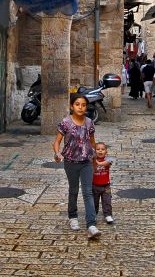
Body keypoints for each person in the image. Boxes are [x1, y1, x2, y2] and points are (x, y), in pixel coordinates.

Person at [52, 94, 102, 239]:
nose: (80, 107)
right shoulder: (66, 122)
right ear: (71, 106)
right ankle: (72, 216)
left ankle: (91, 225)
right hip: (71, 162)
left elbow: (92, 142)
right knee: (73, 190)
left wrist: (95, 160)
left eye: (83, 105)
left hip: (86, 162)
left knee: (88, 192)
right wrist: (57, 154)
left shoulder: (89, 123)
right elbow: (56, 142)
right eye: (77, 104)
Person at [92, 142, 115, 224]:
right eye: (98, 149)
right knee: (94, 201)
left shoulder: (108, 159)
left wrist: (98, 163)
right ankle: (93, 215)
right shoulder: (92, 160)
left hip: (106, 185)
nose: (100, 151)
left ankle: (108, 214)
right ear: (94, 151)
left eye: (103, 149)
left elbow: (107, 163)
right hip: (94, 185)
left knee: (107, 201)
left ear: (106, 152)